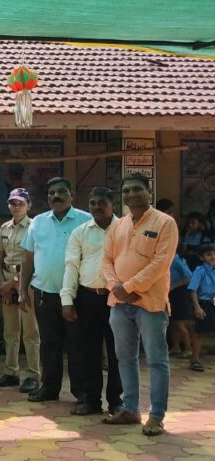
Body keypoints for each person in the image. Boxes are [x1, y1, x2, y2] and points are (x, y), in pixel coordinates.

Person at [101, 173, 178, 436]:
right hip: (119, 303)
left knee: (157, 361)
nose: (131, 194)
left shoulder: (165, 223)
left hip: (151, 304)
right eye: (126, 191)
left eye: (136, 189)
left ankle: (156, 416)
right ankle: (131, 409)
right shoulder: (118, 225)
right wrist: (117, 289)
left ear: (149, 192)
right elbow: (107, 261)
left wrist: (129, 287)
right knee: (125, 359)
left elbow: (161, 263)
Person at [19, 177, 92, 402]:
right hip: (44, 293)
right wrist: (22, 290)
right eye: (51, 193)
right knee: (49, 344)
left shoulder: (85, 220)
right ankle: (49, 388)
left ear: (72, 196)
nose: (55, 196)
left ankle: (81, 392)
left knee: (78, 345)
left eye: (61, 192)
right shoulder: (38, 222)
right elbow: (28, 257)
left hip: (76, 295)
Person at [60, 187, 123, 416]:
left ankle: (117, 401)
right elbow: (71, 266)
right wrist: (67, 300)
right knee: (88, 352)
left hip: (117, 298)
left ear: (112, 204)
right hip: (87, 298)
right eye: (93, 203)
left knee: (118, 352)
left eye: (101, 203)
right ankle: (90, 400)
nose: (96, 207)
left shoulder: (125, 230)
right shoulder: (80, 232)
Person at [0, 188, 40, 392]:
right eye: (13, 203)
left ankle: (33, 375)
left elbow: (34, 258)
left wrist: (13, 283)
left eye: (21, 203)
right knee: (10, 331)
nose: (16, 207)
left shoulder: (35, 227)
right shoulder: (5, 227)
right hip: (6, 282)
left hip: (27, 282)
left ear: (29, 205)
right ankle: (11, 371)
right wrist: (3, 282)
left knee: (30, 332)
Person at [186, 245, 214, 372]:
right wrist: (197, 308)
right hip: (204, 304)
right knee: (199, 333)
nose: (213, 257)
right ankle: (195, 359)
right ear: (202, 257)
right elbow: (193, 290)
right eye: (209, 254)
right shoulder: (200, 270)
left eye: (214, 254)